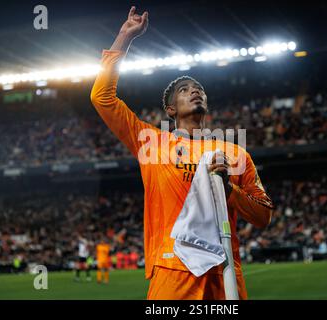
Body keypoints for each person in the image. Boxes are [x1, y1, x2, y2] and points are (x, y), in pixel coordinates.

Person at [90, 6, 273, 300]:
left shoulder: (235, 152)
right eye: (185, 89)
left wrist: (229, 190)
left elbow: (263, 216)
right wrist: (124, 38)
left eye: (199, 88)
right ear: (171, 109)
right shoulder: (151, 142)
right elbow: (102, 98)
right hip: (173, 271)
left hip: (224, 273)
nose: (195, 91)